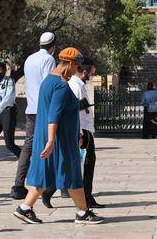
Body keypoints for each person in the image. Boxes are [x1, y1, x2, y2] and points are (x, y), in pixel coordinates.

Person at [13, 47, 104, 225]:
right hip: (60, 141)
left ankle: (25, 208)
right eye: (76, 67)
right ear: (69, 64)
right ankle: (82, 212)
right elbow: (54, 115)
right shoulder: (61, 85)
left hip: (48, 137)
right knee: (72, 174)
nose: (76, 71)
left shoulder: (48, 80)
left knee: (45, 174)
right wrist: (51, 140)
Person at [10, 32, 57, 200]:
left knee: (28, 146)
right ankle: (51, 185)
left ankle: (18, 184)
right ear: (53, 46)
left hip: (31, 108)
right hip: (44, 109)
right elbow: (48, 84)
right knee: (50, 143)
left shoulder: (29, 59)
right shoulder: (49, 59)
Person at [67, 57, 103, 208]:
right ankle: (86, 198)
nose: (92, 76)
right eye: (91, 73)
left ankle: (88, 196)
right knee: (87, 163)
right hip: (82, 130)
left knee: (88, 163)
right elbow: (72, 111)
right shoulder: (75, 86)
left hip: (86, 129)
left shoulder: (80, 85)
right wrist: (80, 132)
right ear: (84, 72)